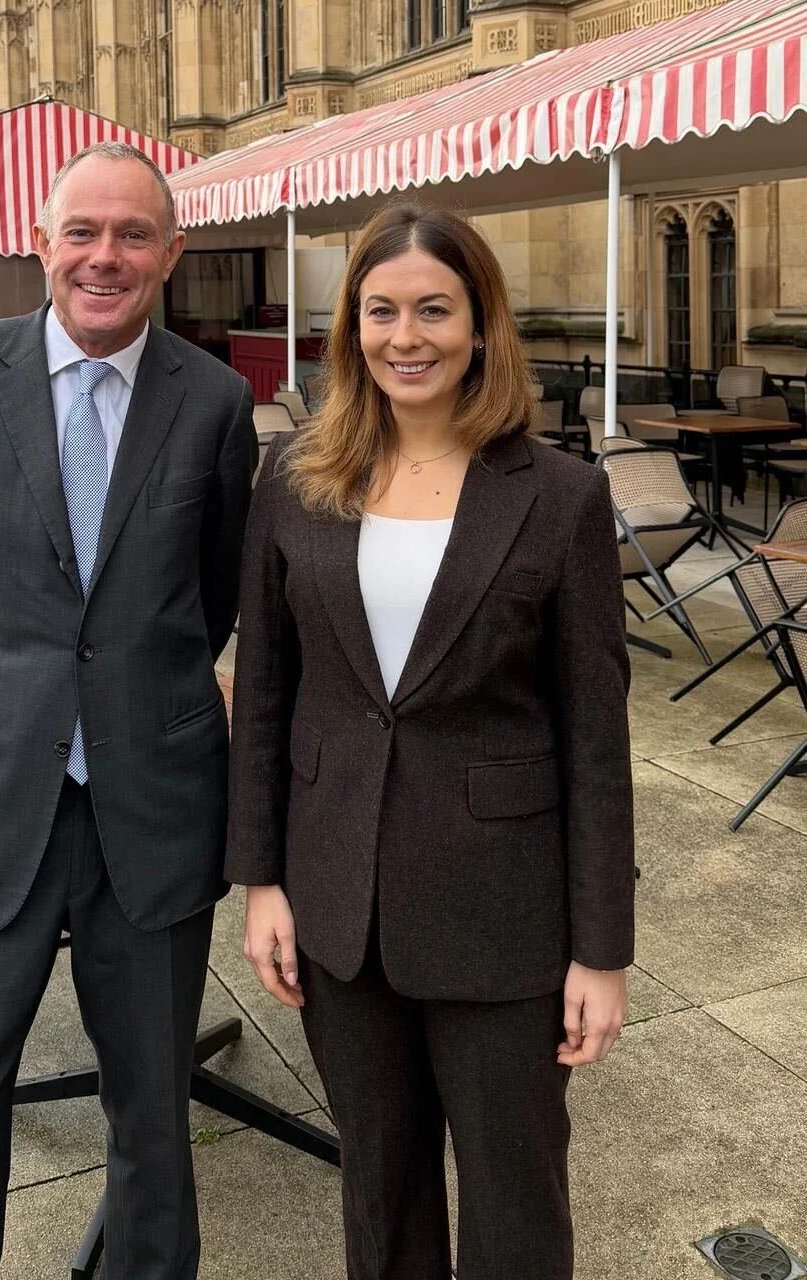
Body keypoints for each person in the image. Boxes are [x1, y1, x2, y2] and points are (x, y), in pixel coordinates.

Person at [225, 202, 634, 1280]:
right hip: (337, 905)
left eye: (433, 310)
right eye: (381, 310)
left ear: (480, 323)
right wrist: (261, 881)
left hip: (503, 916)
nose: (405, 336)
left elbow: (596, 739)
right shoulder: (294, 478)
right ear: (351, 327)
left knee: (515, 1199)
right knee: (380, 1188)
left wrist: (602, 949)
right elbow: (264, 694)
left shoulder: (561, 497)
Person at [0, 141, 257, 1280]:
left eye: (133, 234)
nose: (105, 257)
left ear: (171, 253)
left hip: (151, 807)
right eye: (82, 231)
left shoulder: (216, 401)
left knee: (152, 1116)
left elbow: (213, 594)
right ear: (39, 242)